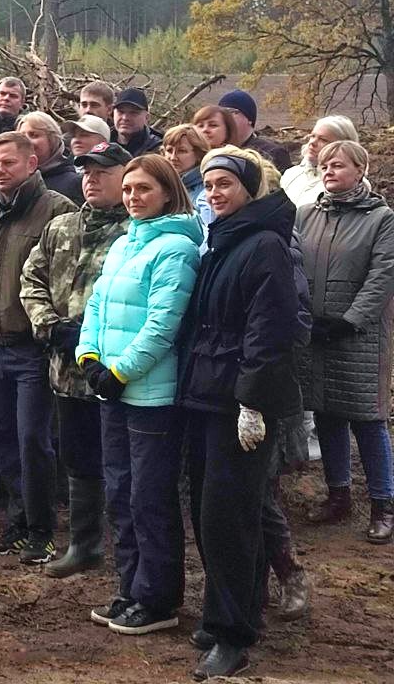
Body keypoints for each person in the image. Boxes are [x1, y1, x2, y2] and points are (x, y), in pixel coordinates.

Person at [176, 147, 301, 681]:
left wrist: (253, 402)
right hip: (206, 393)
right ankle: (233, 614)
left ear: (250, 188)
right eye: (208, 183)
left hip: (239, 401)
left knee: (229, 517)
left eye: (225, 182)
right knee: (211, 511)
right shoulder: (223, 241)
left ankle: (233, 636)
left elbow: (271, 332)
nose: (215, 192)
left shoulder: (265, 245)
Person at [78, 155, 202, 635]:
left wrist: (122, 370)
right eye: (128, 189)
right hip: (112, 389)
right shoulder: (123, 243)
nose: (132, 197)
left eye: (143, 189)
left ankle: (158, 599)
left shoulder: (176, 249)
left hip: (150, 394)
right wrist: (89, 356)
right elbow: (97, 303)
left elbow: (163, 324)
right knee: (120, 493)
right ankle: (130, 588)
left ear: (168, 193)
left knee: (149, 497)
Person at [19, 142, 131, 578]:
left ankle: (127, 550)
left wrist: (88, 334)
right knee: (79, 459)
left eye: (103, 170)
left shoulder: (135, 231)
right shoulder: (62, 226)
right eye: (86, 170)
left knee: (121, 466)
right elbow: (32, 277)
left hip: (114, 371)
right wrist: (48, 324)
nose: (91, 178)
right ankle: (84, 544)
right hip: (65, 369)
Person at [0, 132, 78, 563]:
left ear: (32, 164)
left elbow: (69, 281)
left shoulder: (57, 210)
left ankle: (42, 529)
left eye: (8, 164)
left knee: (33, 439)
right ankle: (17, 522)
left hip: (32, 347)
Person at [297, 139, 394, 544]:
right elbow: (293, 266)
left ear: (360, 169)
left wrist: (350, 320)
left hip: (361, 337)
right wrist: (303, 315)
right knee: (326, 413)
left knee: (368, 419)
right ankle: (338, 496)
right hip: (315, 332)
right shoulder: (305, 214)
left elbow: (383, 274)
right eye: (323, 165)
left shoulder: (382, 218)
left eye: (338, 164)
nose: (328, 171)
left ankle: (383, 504)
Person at [282, 115, 359, 206]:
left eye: (323, 140)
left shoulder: (350, 183)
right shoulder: (291, 174)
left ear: (344, 146)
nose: (312, 142)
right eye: (312, 136)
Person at [218, 89, 292, 172]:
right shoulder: (214, 151)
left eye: (230, 113)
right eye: (221, 114)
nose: (224, 118)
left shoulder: (273, 153)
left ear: (249, 118)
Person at [18, 111, 83, 204]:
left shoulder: (74, 183)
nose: (27, 141)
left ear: (52, 140)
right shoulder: (14, 180)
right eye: (22, 136)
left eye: (34, 135)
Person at [162, 124, 214, 226]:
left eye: (181, 151)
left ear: (199, 155)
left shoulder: (206, 191)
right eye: (169, 150)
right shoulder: (161, 184)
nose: (173, 157)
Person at [111, 88, 162, 157]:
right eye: (121, 112)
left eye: (133, 113)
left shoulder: (158, 149)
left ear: (147, 117)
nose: (125, 118)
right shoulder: (101, 141)